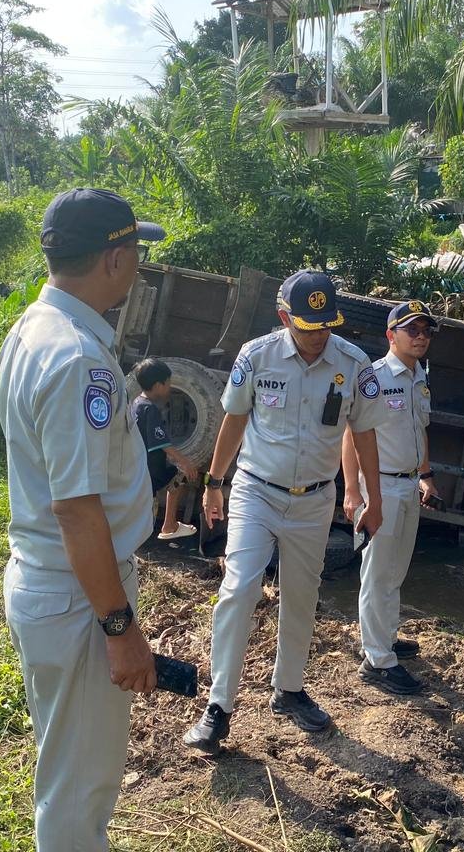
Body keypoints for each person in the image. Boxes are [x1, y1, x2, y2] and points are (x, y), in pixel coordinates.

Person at [0, 188, 166, 851]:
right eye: (138, 254)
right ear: (116, 258)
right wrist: (120, 626)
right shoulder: (77, 358)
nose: (140, 266)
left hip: (52, 584)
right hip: (76, 596)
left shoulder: (32, 329)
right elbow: (76, 508)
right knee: (79, 789)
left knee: (66, 768)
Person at [182, 270, 386, 754]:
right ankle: (218, 707)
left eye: (325, 327)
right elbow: (233, 419)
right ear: (283, 318)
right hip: (256, 490)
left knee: (301, 593)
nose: (317, 337)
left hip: (314, 498)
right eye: (307, 326)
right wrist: (215, 483)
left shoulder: (354, 364)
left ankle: (288, 689)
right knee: (239, 587)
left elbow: (365, 434)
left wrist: (370, 498)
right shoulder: (257, 356)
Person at [342, 301, 441, 696]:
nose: (420, 337)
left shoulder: (420, 377)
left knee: (395, 569)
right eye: (412, 330)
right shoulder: (376, 378)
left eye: (426, 331)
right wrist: (353, 491)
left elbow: (421, 428)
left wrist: (426, 474)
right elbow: (351, 436)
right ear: (391, 335)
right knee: (377, 571)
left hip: (407, 483)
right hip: (378, 485)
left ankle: (384, 636)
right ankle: (377, 661)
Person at [130, 358, 199, 540]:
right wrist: (185, 462)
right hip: (152, 469)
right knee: (181, 474)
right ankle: (168, 525)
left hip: (138, 466)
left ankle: (167, 525)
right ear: (159, 384)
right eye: (168, 383)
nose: (169, 388)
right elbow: (162, 443)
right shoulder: (150, 409)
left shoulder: (136, 403)